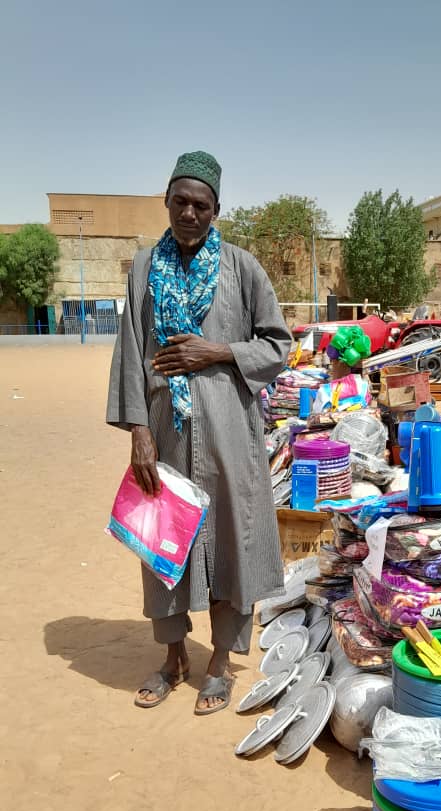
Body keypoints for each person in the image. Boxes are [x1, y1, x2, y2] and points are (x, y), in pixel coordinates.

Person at [107, 151, 292, 715]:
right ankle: (172, 657)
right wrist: (139, 429)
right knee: (164, 541)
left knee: (232, 542)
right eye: (181, 202)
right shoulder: (143, 268)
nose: (190, 213)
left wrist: (218, 351)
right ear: (166, 201)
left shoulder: (241, 267)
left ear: (217, 210)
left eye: (202, 205)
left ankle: (217, 662)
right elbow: (131, 353)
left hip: (230, 436)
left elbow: (278, 345)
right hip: (165, 432)